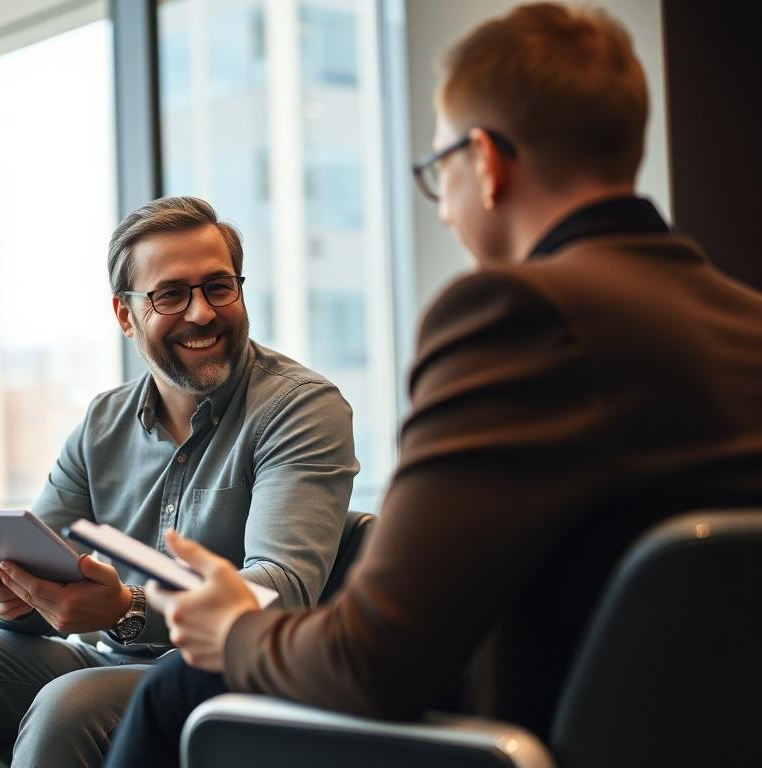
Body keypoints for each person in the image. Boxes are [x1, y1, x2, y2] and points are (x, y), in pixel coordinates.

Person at [103, 5, 762, 767]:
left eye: (436, 170)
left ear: (485, 162)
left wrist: (233, 629)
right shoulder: (746, 319)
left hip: (523, 745)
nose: (443, 205)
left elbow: (373, 661)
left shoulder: (517, 313)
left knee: (179, 687)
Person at [0, 196, 359, 768]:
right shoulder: (102, 423)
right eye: (171, 294)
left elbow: (280, 592)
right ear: (125, 316)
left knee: (69, 704)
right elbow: (40, 557)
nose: (201, 312)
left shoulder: (300, 408)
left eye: (218, 286)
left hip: (230, 674)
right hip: (103, 661)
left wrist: (128, 607)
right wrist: (13, 599)